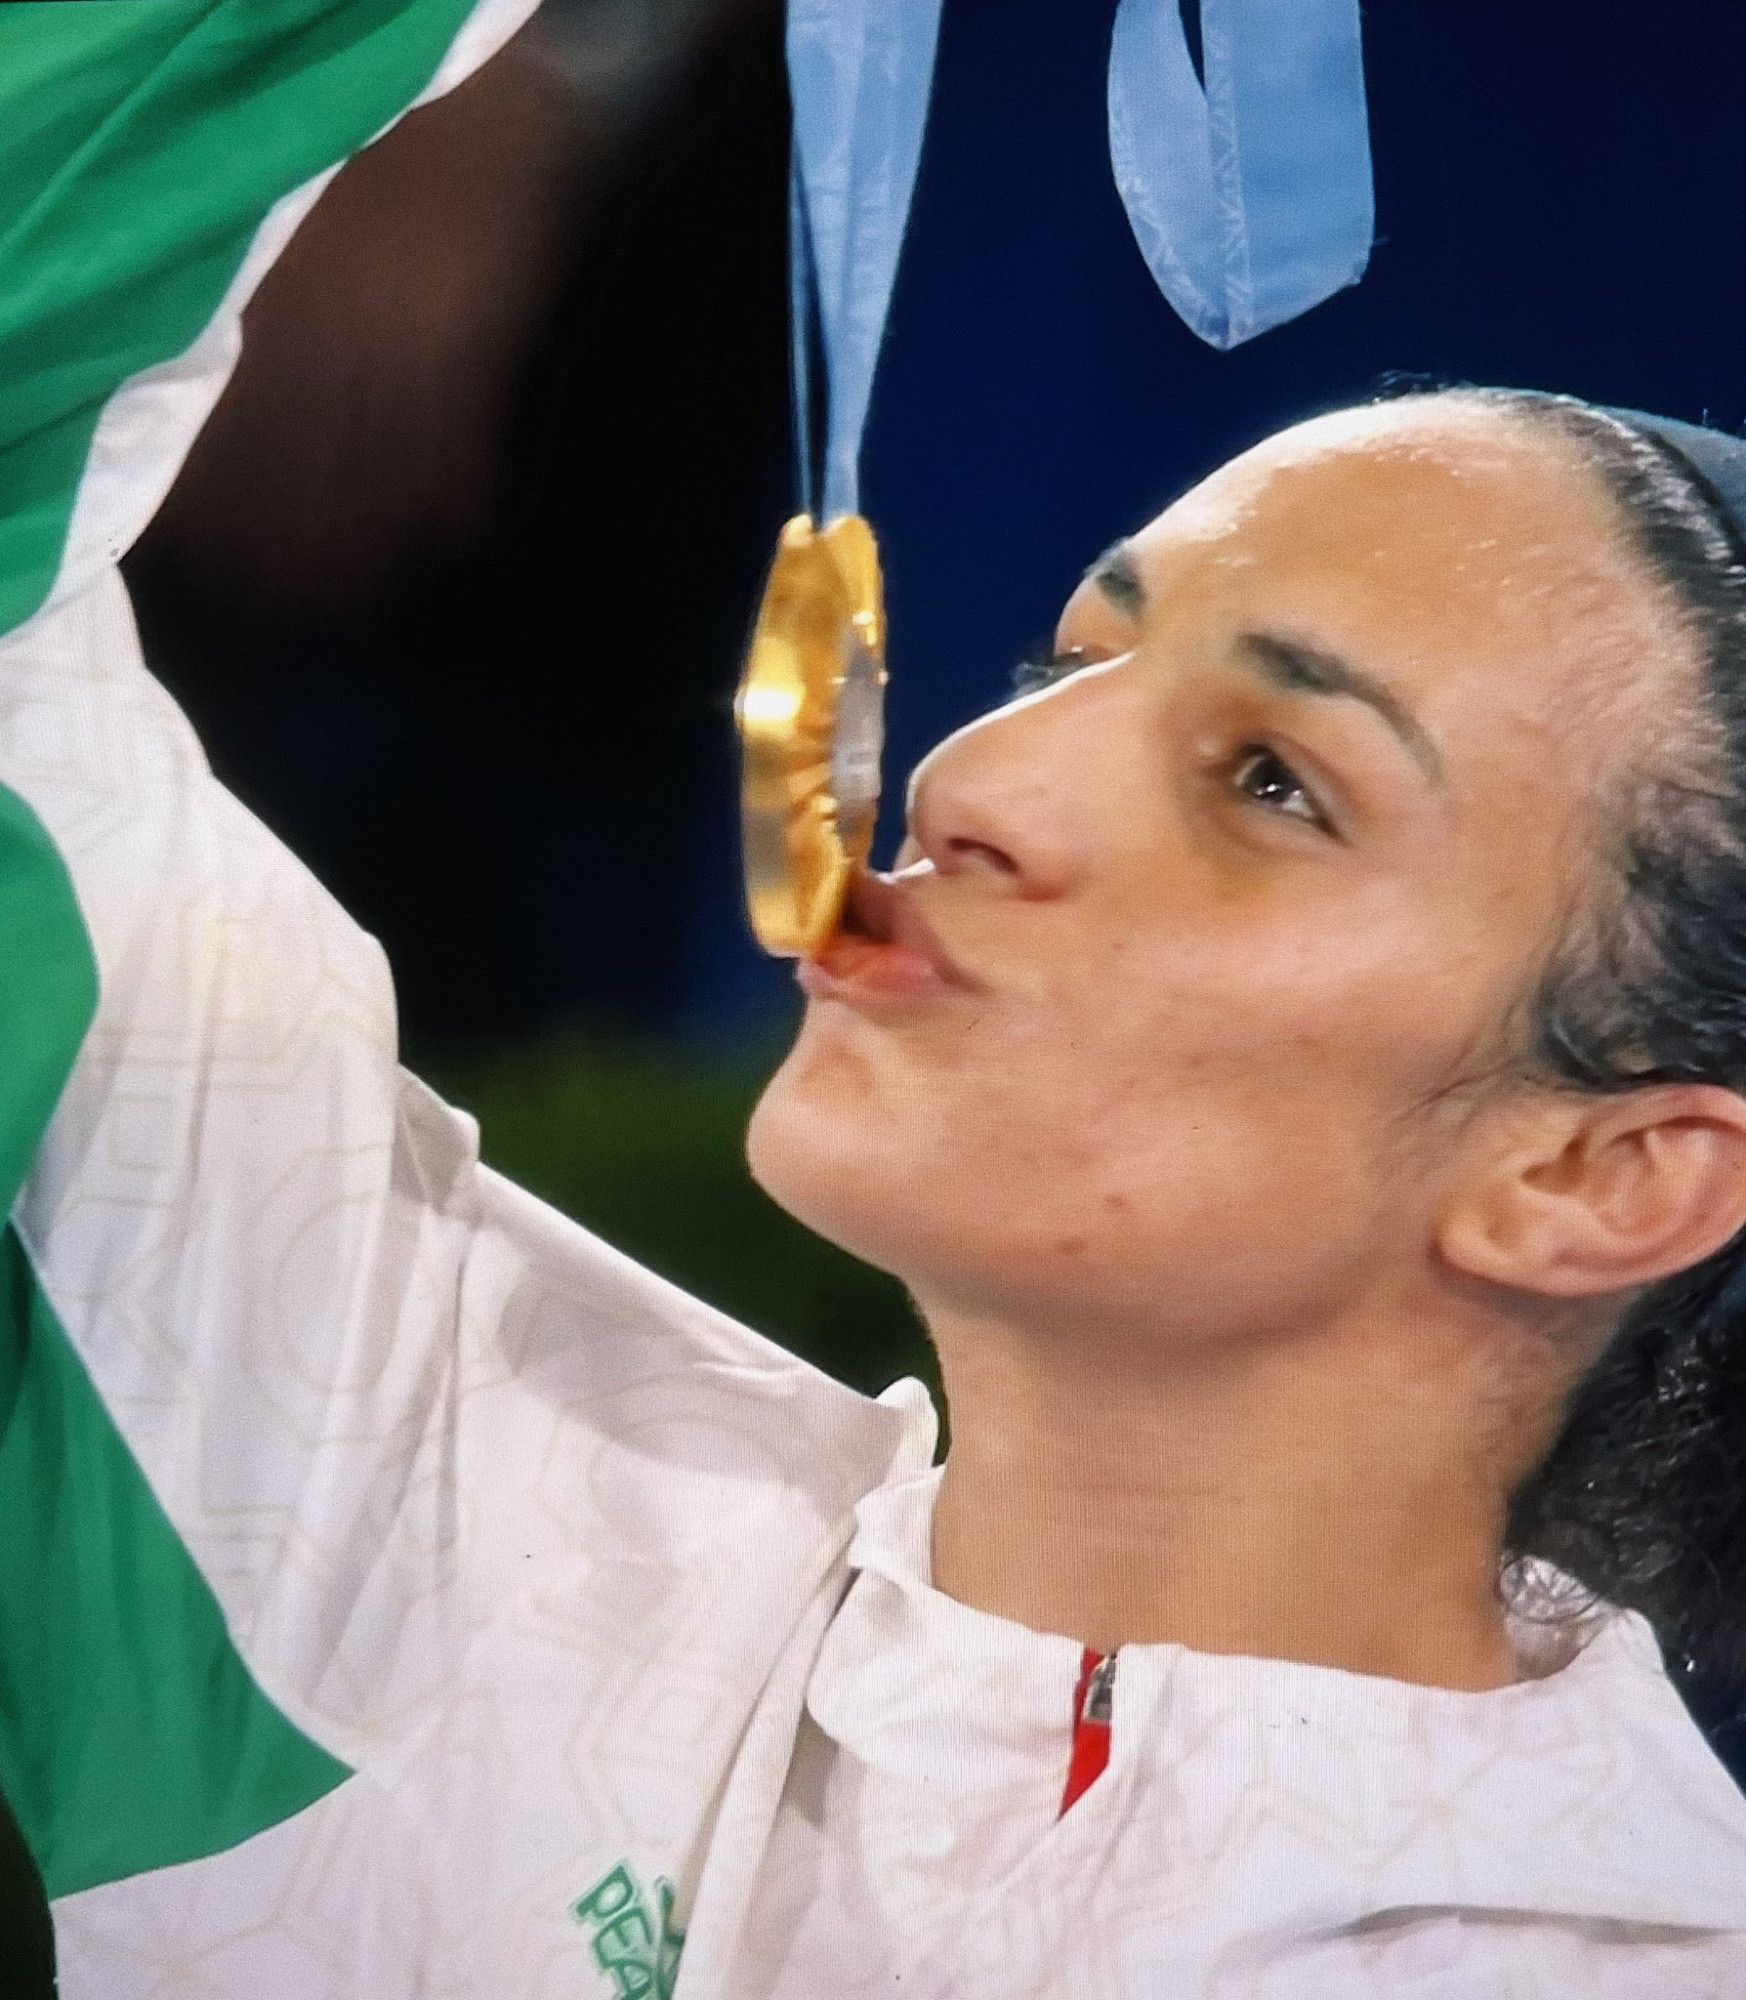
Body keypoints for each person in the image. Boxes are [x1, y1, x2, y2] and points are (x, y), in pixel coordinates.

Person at [14, 382, 1746, 1996]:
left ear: (1602, 1173)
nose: (966, 779)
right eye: (1065, 665)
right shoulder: (390, 1477)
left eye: (1272, 782)